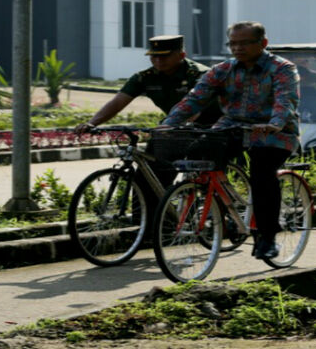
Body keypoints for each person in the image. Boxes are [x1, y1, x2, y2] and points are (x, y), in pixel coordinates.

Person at [162, 21, 299, 261]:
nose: (237, 48)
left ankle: (267, 236)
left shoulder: (282, 69)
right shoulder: (222, 70)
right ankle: (224, 213)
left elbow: (285, 101)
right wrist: (167, 124)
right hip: (232, 126)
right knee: (198, 155)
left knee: (262, 172)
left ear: (263, 43)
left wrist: (275, 122)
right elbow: (194, 99)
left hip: (273, 131)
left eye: (244, 43)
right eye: (233, 43)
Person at [74, 35, 219, 133]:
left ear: (181, 55)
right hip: (175, 128)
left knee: (207, 170)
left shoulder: (200, 75)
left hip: (214, 128)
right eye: (154, 56)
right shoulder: (144, 78)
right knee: (152, 166)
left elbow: (195, 107)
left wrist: (171, 126)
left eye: (164, 56)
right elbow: (118, 102)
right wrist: (92, 123)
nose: (158, 60)